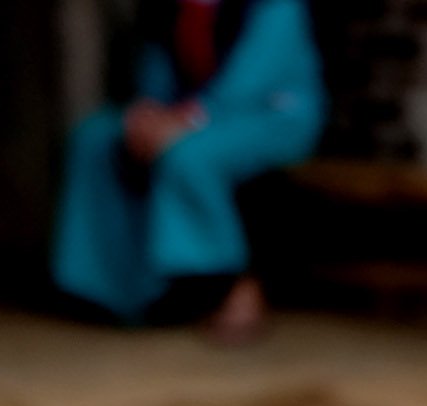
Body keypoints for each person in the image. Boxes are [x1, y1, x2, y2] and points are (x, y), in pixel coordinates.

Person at [52, 0, 325, 339]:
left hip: (268, 116)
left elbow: (253, 78)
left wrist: (184, 121)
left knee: (187, 156)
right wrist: (148, 115)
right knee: (94, 140)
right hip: (186, 112)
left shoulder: (275, 6)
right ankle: (111, 290)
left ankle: (218, 284)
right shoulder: (171, 7)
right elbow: (156, 72)